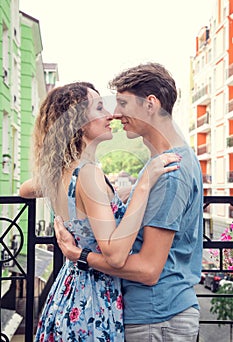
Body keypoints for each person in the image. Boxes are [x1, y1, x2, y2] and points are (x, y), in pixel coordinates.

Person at [19, 80, 180, 341]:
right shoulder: (89, 174)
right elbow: (115, 256)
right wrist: (144, 183)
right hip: (91, 302)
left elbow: (25, 190)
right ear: (78, 123)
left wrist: (116, 197)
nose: (111, 115)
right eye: (100, 108)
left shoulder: (61, 172)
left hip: (68, 292)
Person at [54, 63, 203, 342]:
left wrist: (80, 256)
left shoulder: (169, 173)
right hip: (158, 315)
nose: (117, 113)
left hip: (156, 317)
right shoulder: (164, 163)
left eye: (123, 103)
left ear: (150, 104)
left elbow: (147, 270)